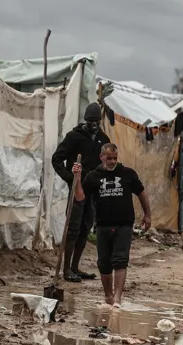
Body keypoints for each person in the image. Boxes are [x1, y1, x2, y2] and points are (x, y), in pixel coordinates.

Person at [72, 143, 151, 307]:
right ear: (101, 157)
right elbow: (80, 197)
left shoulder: (127, 174)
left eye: (115, 158)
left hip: (124, 224)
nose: (113, 161)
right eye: (109, 158)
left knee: (120, 260)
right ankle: (108, 296)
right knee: (104, 263)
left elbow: (141, 192)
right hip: (103, 225)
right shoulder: (93, 176)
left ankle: (117, 298)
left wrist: (147, 214)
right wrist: (77, 178)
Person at [51, 102, 111, 283]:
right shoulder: (74, 137)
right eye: (90, 121)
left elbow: (108, 163)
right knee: (73, 229)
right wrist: (70, 178)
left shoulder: (103, 139)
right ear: (85, 120)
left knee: (85, 228)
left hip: (93, 191)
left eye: (96, 121)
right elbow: (56, 159)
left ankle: (75, 267)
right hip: (77, 188)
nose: (94, 124)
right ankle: (66, 269)